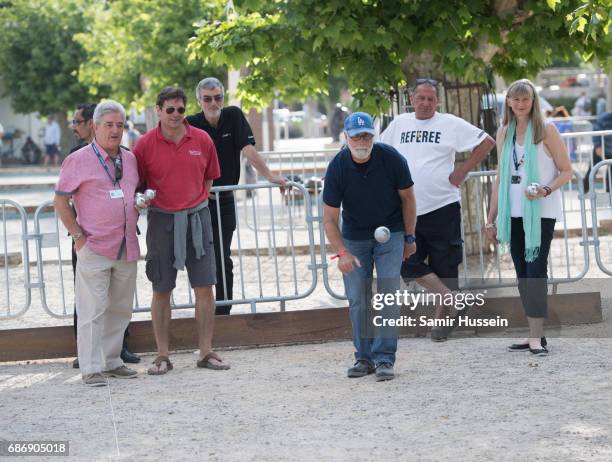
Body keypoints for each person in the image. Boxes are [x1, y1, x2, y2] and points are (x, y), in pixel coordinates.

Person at [380, 78, 495, 341]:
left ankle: (440, 324)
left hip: (443, 205)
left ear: (438, 101)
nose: (426, 103)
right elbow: (381, 151)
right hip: (407, 209)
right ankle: (452, 298)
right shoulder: (399, 124)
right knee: (406, 262)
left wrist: (464, 169)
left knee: (446, 265)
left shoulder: (449, 123)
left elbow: (487, 141)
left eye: (431, 99)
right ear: (411, 99)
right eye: (421, 98)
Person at [134, 86, 229, 374]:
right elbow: (137, 185)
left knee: (205, 287)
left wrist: (195, 203)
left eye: (180, 109)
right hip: (161, 221)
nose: (175, 114)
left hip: (197, 220)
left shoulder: (201, 139)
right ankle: (162, 355)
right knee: (161, 288)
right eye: (170, 109)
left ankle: (206, 351)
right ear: (158, 110)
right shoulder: (144, 144)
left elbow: (209, 178)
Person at [323, 112, 417, 381]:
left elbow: (408, 199)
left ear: (373, 136)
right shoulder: (338, 166)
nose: (362, 141)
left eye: (366, 135)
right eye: (356, 136)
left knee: (388, 294)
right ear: (346, 138)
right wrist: (342, 252)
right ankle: (363, 358)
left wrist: (410, 238)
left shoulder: (391, 158)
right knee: (358, 299)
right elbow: (329, 218)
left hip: (392, 232)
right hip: (354, 237)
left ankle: (385, 358)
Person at [54, 100, 141, 387]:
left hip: (126, 245)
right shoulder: (78, 159)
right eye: (109, 125)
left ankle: (113, 360)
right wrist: (78, 236)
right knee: (91, 309)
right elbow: (60, 199)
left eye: (119, 125)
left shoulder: (129, 159)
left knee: (120, 308)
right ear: (94, 126)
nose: (115, 130)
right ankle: (91, 368)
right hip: (94, 246)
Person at [485, 79, 572, 356]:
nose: (520, 104)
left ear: (533, 101)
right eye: (515, 99)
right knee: (523, 274)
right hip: (513, 214)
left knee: (535, 272)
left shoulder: (546, 130)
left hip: (540, 214)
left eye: (525, 99)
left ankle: (535, 336)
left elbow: (566, 171)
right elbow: (500, 177)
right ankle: (536, 334)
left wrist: (545, 190)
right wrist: (491, 218)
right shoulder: (504, 132)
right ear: (508, 102)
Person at [186, 77, 286, 315]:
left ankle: (223, 312)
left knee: (223, 257)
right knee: (200, 258)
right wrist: (197, 190)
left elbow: (248, 149)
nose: (213, 103)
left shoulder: (233, 115)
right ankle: (204, 310)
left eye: (217, 97)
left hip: (225, 198)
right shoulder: (190, 124)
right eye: (207, 98)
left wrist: (269, 175)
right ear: (199, 100)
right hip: (198, 202)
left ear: (224, 98)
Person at [583, 110, 612, 193]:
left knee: (611, 173)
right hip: (601, 148)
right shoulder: (605, 118)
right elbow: (596, 131)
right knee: (592, 169)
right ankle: (584, 189)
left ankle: (609, 193)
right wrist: (597, 146)